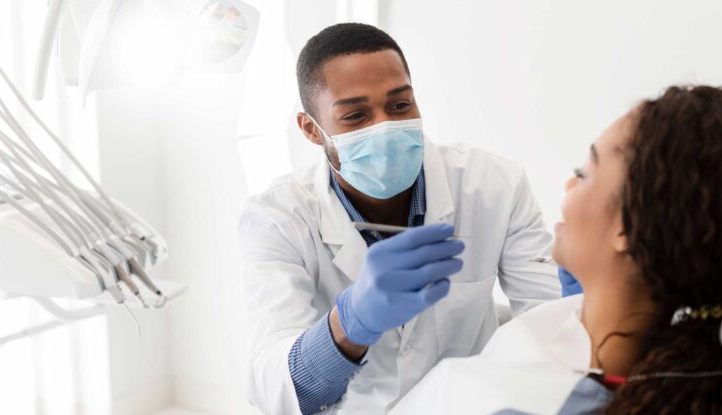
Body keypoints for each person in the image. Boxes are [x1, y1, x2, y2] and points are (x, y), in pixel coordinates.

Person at [237, 23, 570, 414]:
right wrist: (350, 325)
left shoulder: (495, 184)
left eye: (399, 106)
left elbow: (553, 328)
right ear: (312, 129)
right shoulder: (276, 218)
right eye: (356, 115)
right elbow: (278, 389)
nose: (385, 127)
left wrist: (584, 307)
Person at [392, 85, 722, 414]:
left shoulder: (526, 403)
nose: (569, 185)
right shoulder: (705, 376)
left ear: (628, 226)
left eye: (585, 173)